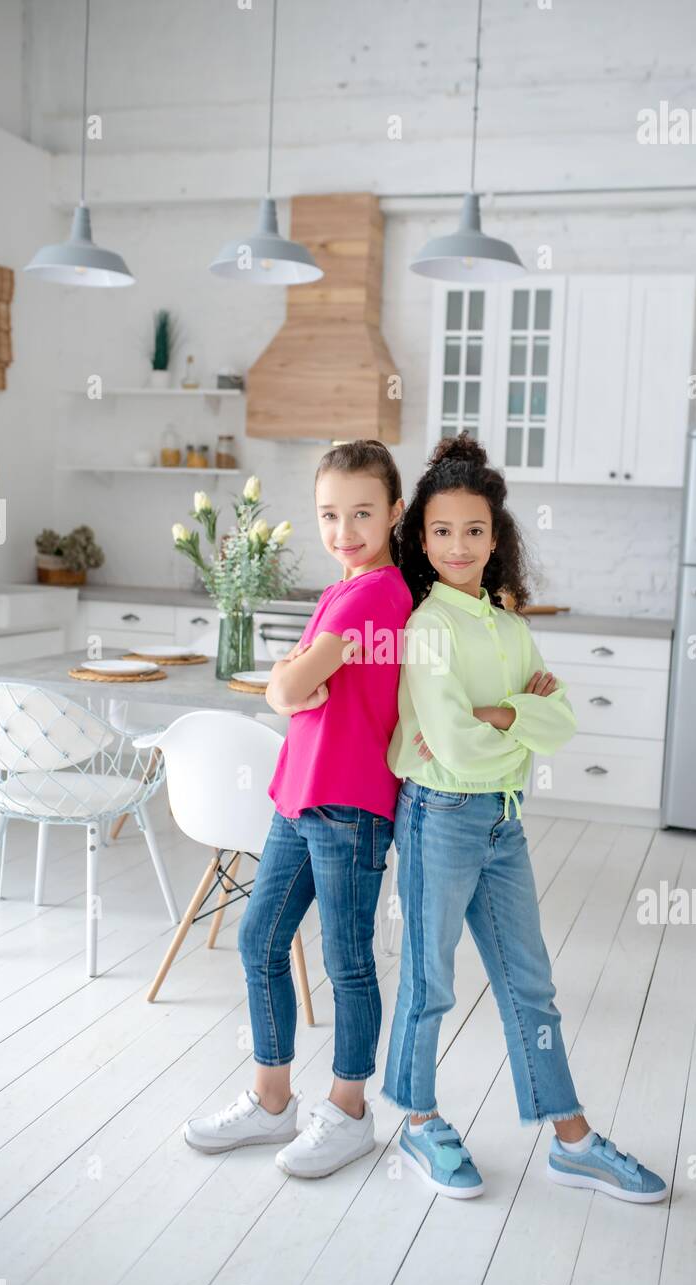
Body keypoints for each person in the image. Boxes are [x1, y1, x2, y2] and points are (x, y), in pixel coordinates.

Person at [382, 431, 668, 1204]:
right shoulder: (427, 628)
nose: (458, 544)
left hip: (503, 823)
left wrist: (501, 714)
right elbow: (454, 745)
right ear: (420, 538)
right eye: (441, 530)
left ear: (496, 536)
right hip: (438, 815)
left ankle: (570, 1137)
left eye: (474, 529)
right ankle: (417, 1120)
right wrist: (520, 718)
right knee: (429, 980)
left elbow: (562, 722)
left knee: (530, 987)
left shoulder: (510, 627)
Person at [184, 440, 413, 1178]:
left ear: (395, 513)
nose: (343, 529)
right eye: (328, 514)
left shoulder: (378, 592)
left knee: (347, 962)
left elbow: (285, 693)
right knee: (260, 942)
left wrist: (294, 677)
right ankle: (272, 1098)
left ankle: (349, 1111)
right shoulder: (343, 589)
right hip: (300, 795)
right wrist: (296, 677)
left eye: (362, 513)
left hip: (349, 805)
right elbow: (293, 686)